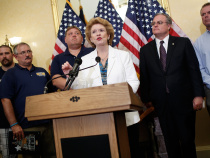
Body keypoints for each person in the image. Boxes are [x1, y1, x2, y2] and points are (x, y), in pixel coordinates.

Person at [62, 17, 140, 157]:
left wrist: (120, 98)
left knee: (129, 151)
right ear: (91, 38)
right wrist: (69, 76)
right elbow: (81, 88)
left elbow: (133, 82)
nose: (98, 34)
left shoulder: (123, 56)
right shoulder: (84, 61)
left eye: (101, 30)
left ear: (108, 35)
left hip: (124, 113)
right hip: (98, 117)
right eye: (94, 32)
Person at [140, 13, 205, 158]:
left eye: (159, 22)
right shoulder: (145, 50)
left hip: (185, 101)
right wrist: (147, 99)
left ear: (168, 26)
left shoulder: (183, 43)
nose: (155, 25)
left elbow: (193, 70)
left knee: (187, 140)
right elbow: (145, 77)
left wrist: (198, 95)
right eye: (153, 23)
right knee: (170, 142)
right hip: (161, 104)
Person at [0, 42, 55, 158]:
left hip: (48, 125)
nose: (27, 54)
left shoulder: (42, 71)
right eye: (23, 52)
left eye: (29, 51)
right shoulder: (10, 74)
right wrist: (14, 124)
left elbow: (53, 94)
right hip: (26, 127)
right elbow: (5, 100)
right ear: (16, 57)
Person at [50, 26, 94, 90]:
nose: (74, 35)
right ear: (65, 40)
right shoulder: (57, 58)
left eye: (77, 33)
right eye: (70, 34)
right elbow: (56, 80)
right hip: (70, 96)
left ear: (82, 38)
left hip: (93, 92)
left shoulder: (93, 52)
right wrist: (77, 90)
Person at [194, 2, 210, 116]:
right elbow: (200, 68)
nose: (206, 16)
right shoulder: (198, 43)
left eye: (209, 13)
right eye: (203, 14)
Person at [0, 45, 16, 158]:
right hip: (1, 123)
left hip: (18, 123)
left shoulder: (21, 71)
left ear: (13, 55)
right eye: (1, 54)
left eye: (7, 53)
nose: (4, 56)